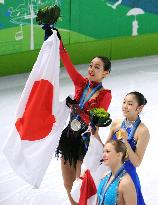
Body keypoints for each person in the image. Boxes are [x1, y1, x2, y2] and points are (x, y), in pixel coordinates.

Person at [106, 91, 150, 205]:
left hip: (128, 176)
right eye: (124, 102)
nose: (125, 106)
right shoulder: (116, 124)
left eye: (130, 104)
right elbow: (106, 149)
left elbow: (136, 162)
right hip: (111, 174)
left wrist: (125, 141)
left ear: (139, 108)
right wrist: (94, 135)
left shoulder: (143, 131)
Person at [97, 139, 137, 205]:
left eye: (107, 151)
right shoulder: (104, 176)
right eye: (103, 152)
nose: (103, 155)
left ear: (119, 155)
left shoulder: (126, 183)